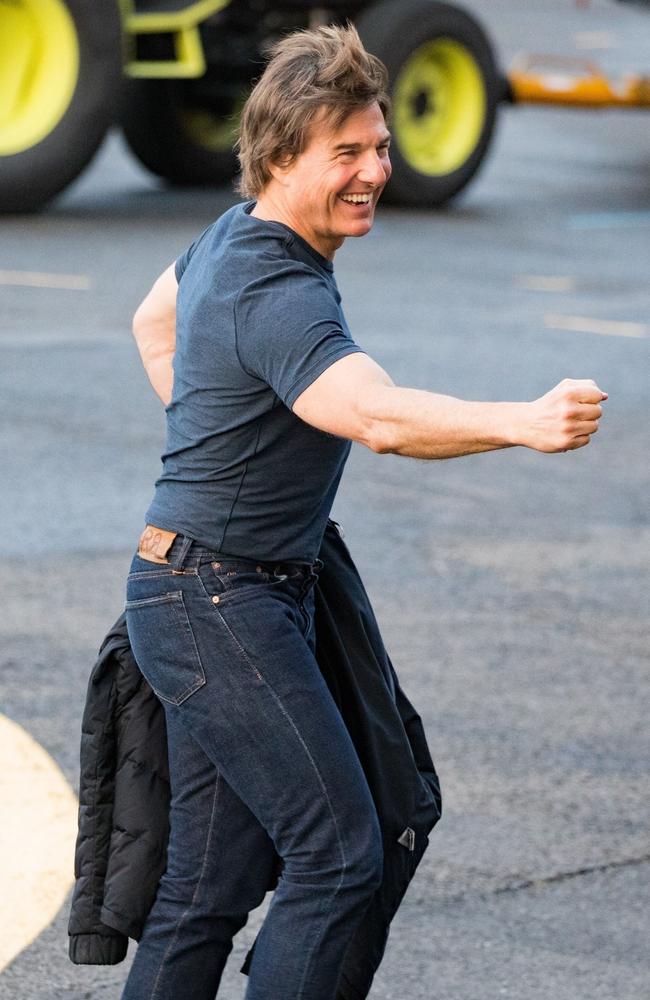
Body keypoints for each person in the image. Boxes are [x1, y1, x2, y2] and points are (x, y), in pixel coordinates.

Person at [122, 22, 607, 1000]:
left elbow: (153, 319)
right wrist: (519, 420)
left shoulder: (233, 234)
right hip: (218, 599)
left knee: (206, 885)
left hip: (202, 582)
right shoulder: (278, 288)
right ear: (279, 157)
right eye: (345, 151)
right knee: (341, 854)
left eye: (377, 145)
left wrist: (213, 437)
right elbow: (376, 417)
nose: (374, 169)